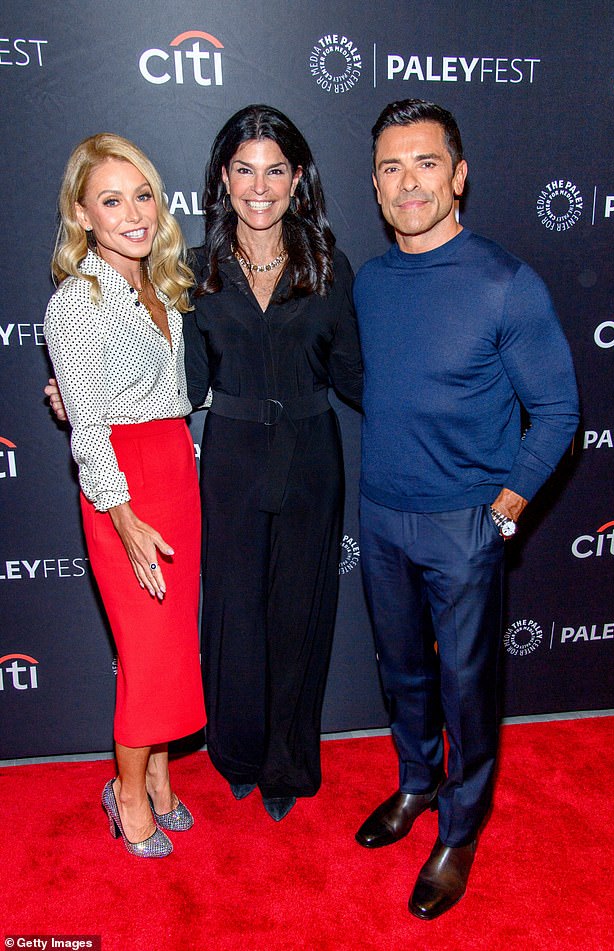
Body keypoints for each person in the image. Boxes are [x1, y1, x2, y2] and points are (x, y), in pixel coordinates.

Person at [353, 100, 579, 919]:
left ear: (458, 175)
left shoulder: (505, 283)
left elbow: (556, 410)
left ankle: (461, 825)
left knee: (466, 685)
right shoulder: (371, 283)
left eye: (423, 163)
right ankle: (416, 785)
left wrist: (504, 509)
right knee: (402, 670)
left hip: (465, 525)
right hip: (379, 516)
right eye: (389, 167)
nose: (407, 182)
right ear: (376, 188)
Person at [183, 105, 363, 820]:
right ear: (224, 179)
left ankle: (288, 765)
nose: (261, 187)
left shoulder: (331, 265)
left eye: (276, 170)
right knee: (233, 613)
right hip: (229, 460)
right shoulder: (196, 270)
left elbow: (354, 374)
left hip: (312, 458)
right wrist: (87, 395)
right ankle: (237, 752)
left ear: (298, 179)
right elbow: (182, 384)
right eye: (245, 170)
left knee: (300, 613)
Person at [44, 133, 206, 858]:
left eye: (142, 194)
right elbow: (89, 427)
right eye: (111, 199)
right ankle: (127, 790)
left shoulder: (162, 283)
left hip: (173, 464)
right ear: (82, 213)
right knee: (144, 648)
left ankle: (164, 778)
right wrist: (122, 514)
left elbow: (158, 391)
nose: (133, 212)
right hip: (124, 484)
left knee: (171, 640)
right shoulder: (76, 302)